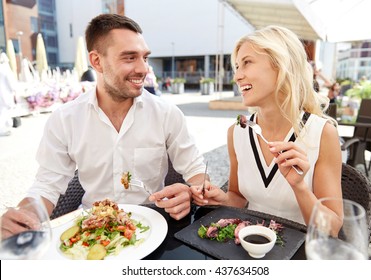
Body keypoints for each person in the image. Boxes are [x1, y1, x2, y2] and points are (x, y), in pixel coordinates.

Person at [2, 14, 208, 237]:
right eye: (130, 58)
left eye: (145, 58)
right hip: (94, 233)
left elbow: (198, 173)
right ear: (96, 61)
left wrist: (190, 192)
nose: (143, 69)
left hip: (155, 229)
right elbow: (46, 186)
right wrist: (25, 214)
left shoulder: (167, 113)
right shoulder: (65, 119)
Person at [191, 26, 342, 226]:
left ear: (282, 66)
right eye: (237, 67)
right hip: (247, 244)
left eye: (247, 63)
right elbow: (238, 196)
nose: (236, 76)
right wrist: (222, 198)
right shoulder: (237, 132)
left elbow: (332, 227)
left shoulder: (322, 133)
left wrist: (300, 187)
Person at [0, 52, 17, 136]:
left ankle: (8, 126)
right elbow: (11, 82)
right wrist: (14, 90)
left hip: (2, 94)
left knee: (3, 111)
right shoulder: (6, 69)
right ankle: (3, 128)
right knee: (5, 111)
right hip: (6, 93)